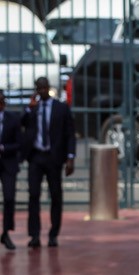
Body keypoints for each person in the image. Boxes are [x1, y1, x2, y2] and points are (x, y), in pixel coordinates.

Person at [22, 77, 74, 248]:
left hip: (53, 157)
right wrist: (29, 109)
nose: (42, 91)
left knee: (56, 196)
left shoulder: (61, 108)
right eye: (39, 89)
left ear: (49, 88)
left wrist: (70, 157)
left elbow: (69, 134)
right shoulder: (33, 109)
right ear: (36, 90)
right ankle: (34, 235)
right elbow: (22, 124)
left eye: (44, 88)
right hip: (36, 157)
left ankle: (53, 234)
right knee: (33, 195)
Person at [0, 90, 22, 250]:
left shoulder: (12, 119)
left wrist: (3, 148)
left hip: (8, 163)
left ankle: (6, 232)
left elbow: (19, 143)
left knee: (9, 198)